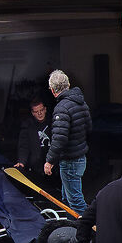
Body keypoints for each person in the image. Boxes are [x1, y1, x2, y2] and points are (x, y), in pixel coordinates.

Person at [45, 70, 91, 213]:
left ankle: (91, 226)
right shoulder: (81, 103)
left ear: (53, 91)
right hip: (80, 157)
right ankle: (73, 227)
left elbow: (59, 139)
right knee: (67, 200)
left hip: (70, 161)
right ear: (68, 84)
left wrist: (49, 161)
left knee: (75, 202)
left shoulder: (62, 108)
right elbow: (89, 127)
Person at [16, 98, 50, 176]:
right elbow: (23, 146)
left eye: (41, 110)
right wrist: (21, 162)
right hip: (36, 166)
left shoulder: (53, 123)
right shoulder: (27, 126)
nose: (39, 113)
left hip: (53, 164)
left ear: (45, 110)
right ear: (32, 113)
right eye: (36, 112)